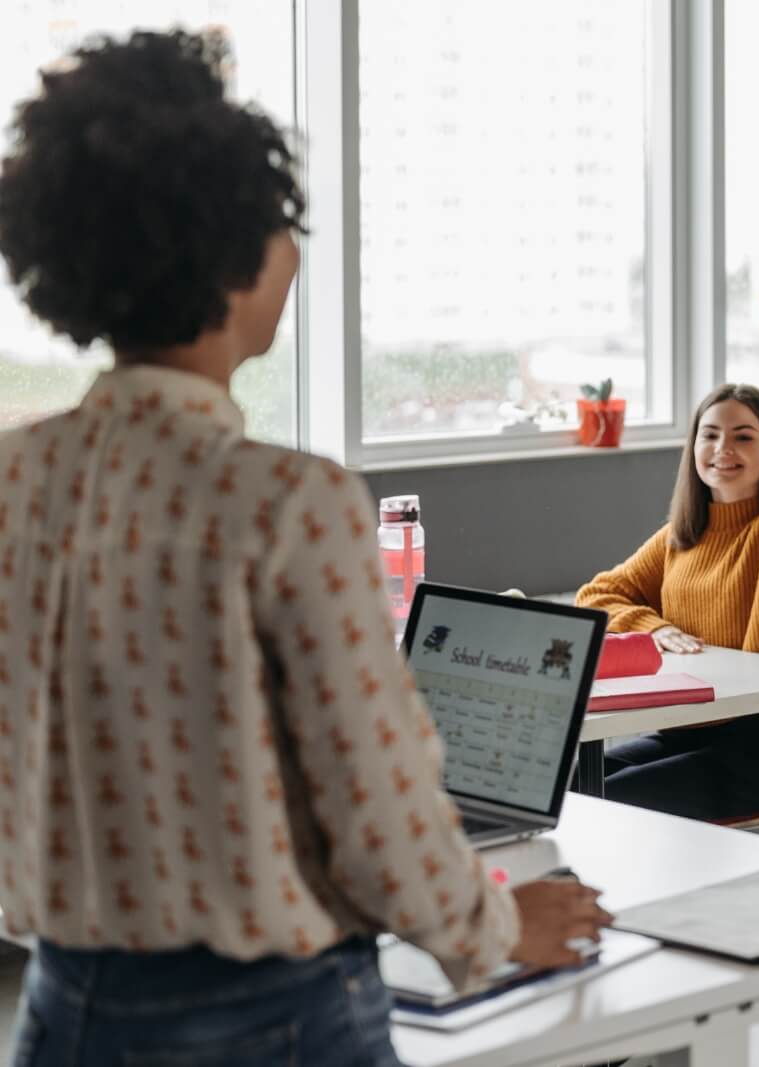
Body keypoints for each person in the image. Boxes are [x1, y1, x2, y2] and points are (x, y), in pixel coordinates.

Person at [0, 30, 608, 1065]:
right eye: (284, 224)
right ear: (232, 255)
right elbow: (376, 801)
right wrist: (498, 924)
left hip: (60, 1006)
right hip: (271, 1019)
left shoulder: (16, 478)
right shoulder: (289, 502)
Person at [575, 252, 759, 821]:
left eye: (744, 437)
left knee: (604, 805)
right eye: (710, 435)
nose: (723, 450)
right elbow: (596, 596)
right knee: (564, 784)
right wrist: (654, 627)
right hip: (684, 730)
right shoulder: (681, 538)